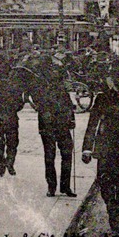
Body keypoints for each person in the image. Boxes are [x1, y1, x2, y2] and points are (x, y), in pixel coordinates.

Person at [82, 57, 119, 237]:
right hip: (105, 151)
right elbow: (92, 124)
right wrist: (87, 148)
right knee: (106, 185)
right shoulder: (102, 100)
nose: (118, 82)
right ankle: (112, 212)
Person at [34, 55, 77, 197]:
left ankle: (56, 187)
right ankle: (59, 187)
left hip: (55, 127)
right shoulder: (42, 90)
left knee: (53, 156)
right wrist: (71, 120)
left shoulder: (50, 90)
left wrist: (71, 119)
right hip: (54, 127)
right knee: (60, 156)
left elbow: (68, 105)